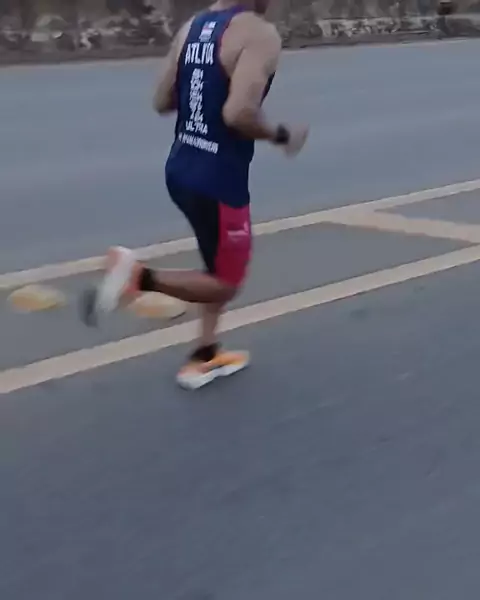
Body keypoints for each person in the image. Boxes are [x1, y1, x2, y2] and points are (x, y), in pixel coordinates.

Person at [80, 0, 309, 390]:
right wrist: (282, 135)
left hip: (181, 167)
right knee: (227, 282)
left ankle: (205, 353)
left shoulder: (192, 27)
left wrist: (203, 88)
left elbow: (161, 101)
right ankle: (139, 277)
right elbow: (238, 113)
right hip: (219, 179)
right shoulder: (259, 33)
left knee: (215, 261)